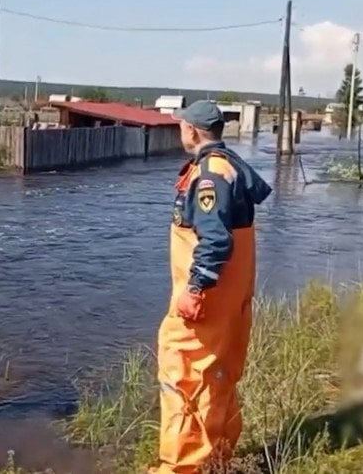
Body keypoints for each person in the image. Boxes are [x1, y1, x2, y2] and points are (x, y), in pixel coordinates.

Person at [153, 100, 272, 474]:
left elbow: (216, 240)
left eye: (181, 126)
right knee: (218, 375)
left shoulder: (210, 175)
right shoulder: (229, 166)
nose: (180, 131)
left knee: (181, 375)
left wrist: (196, 289)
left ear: (192, 130)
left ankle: (180, 468)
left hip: (206, 301)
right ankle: (216, 458)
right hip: (230, 298)